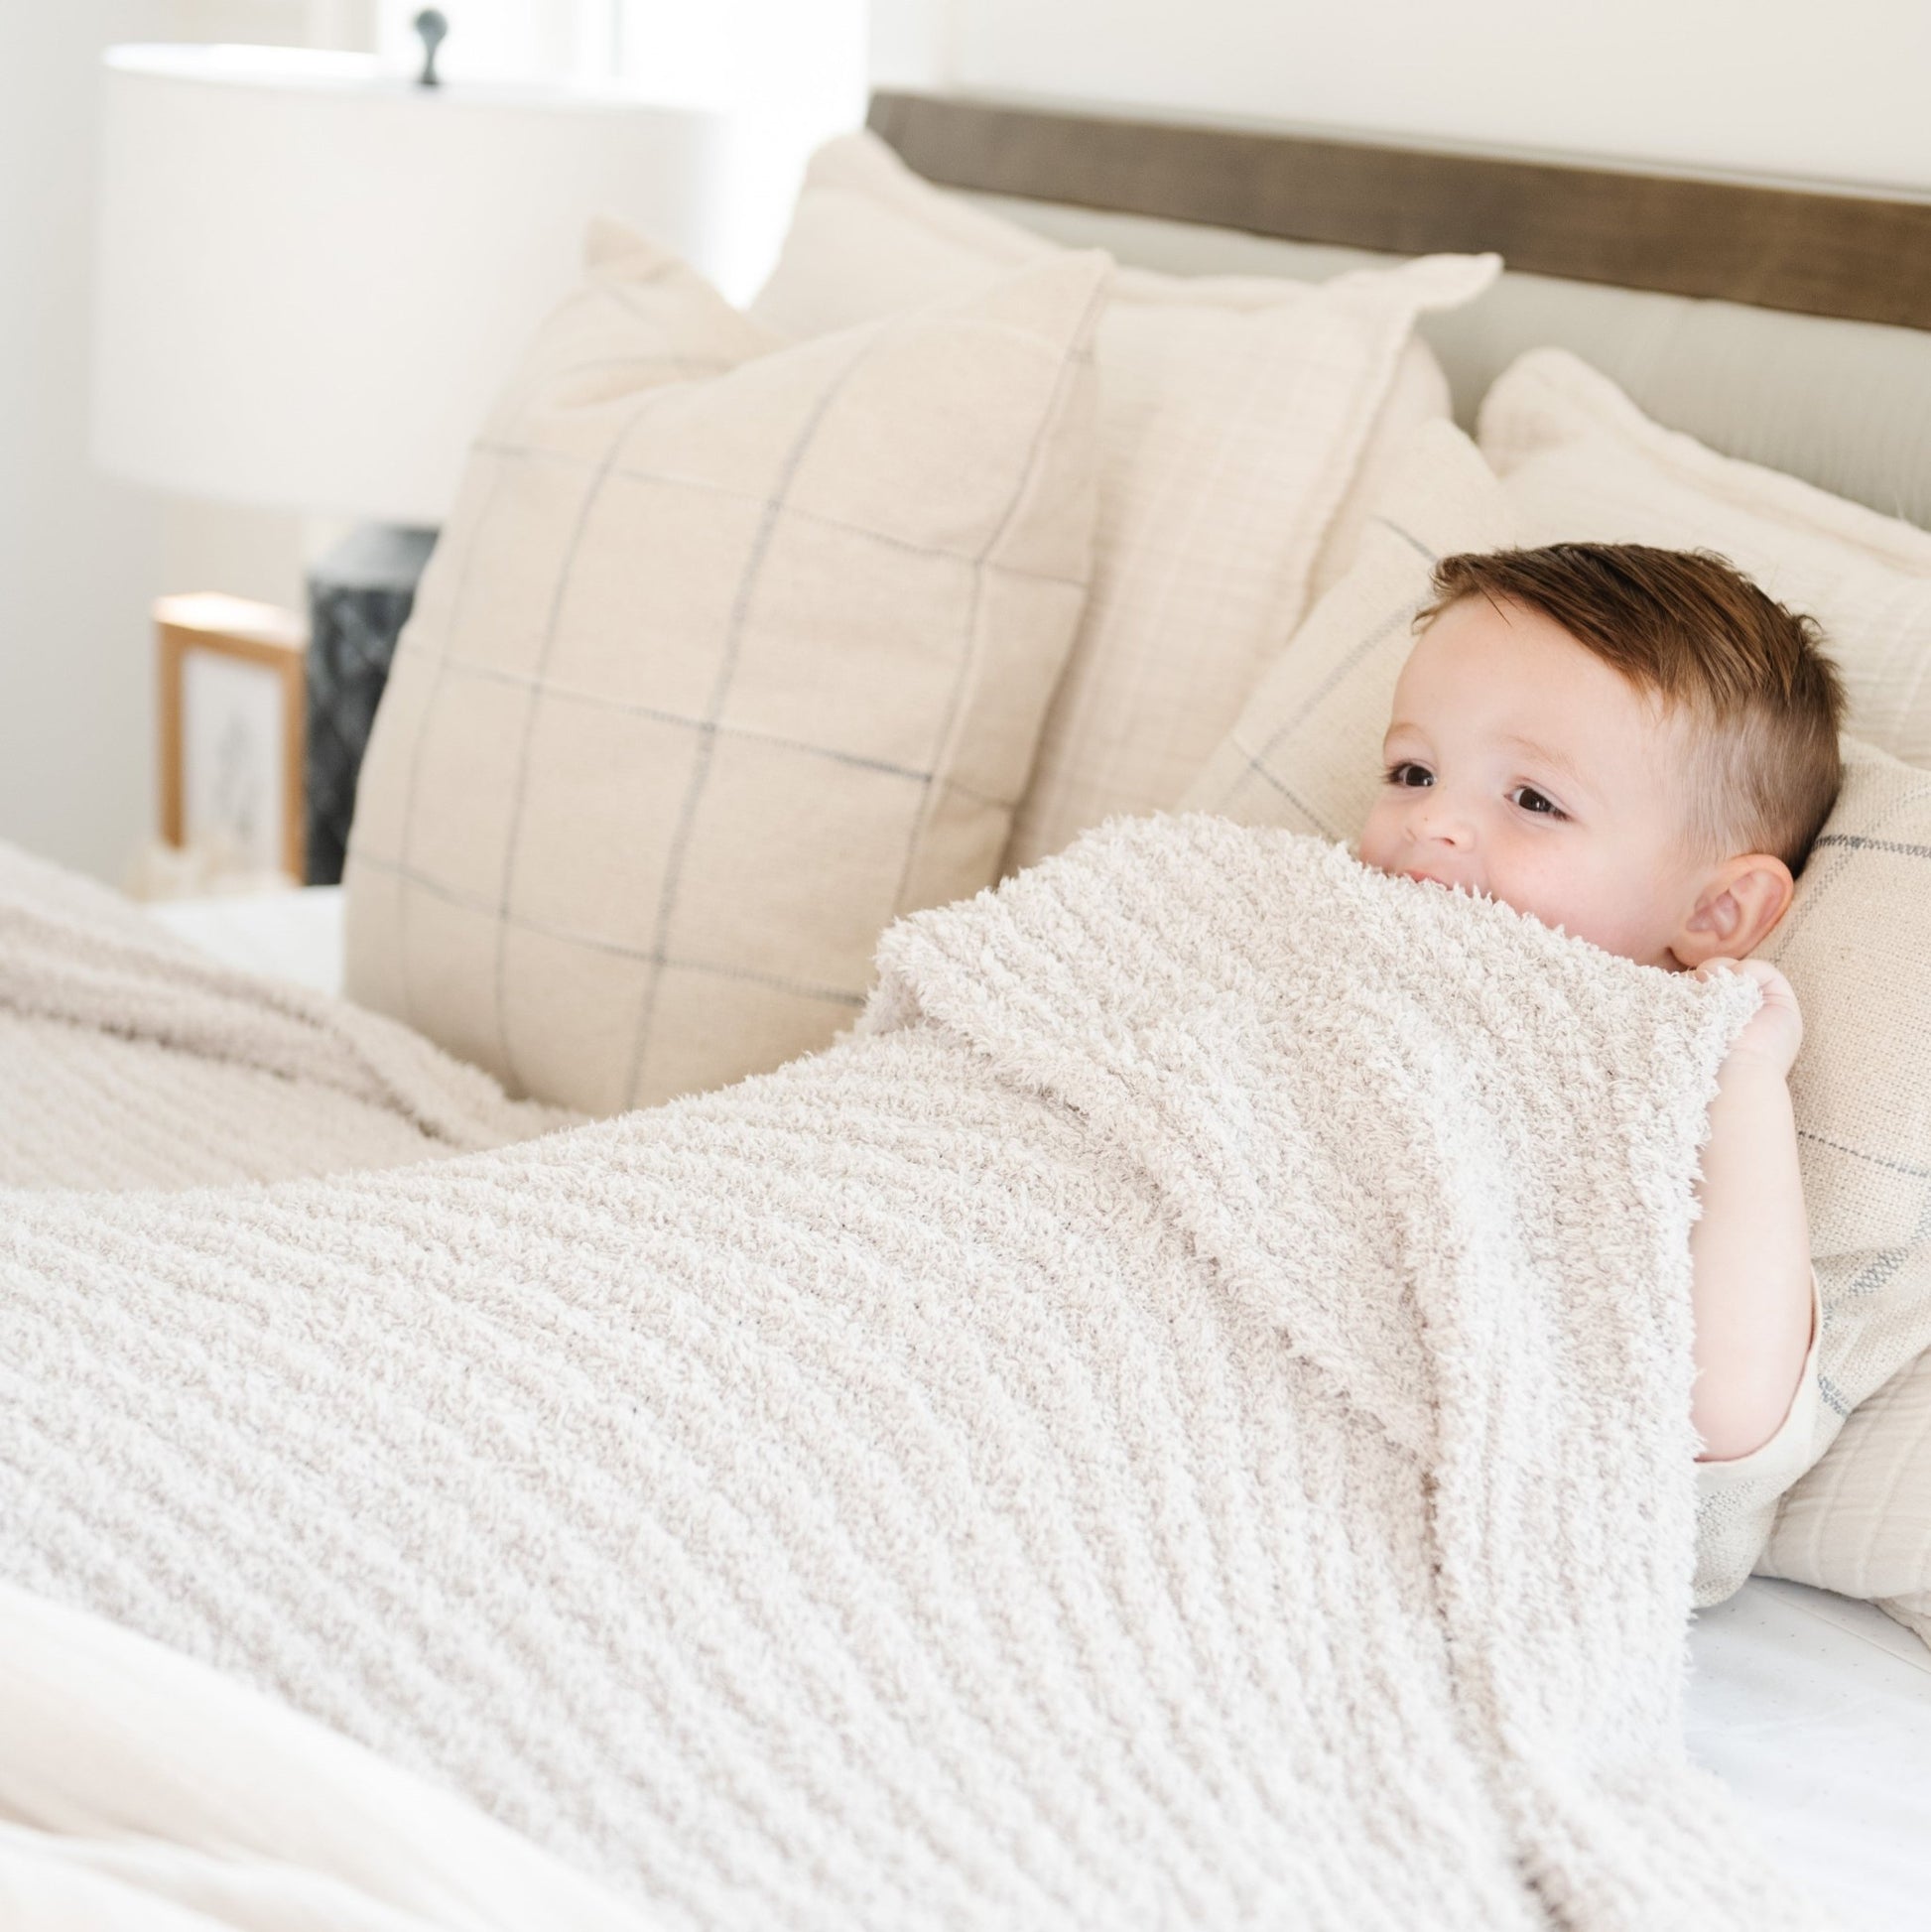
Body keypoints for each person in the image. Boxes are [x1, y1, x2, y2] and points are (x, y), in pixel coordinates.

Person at [1356, 543, 1841, 1506]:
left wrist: (1742, 1084)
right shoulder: (1315, 920)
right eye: (1412, 772)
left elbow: (1719, 1412)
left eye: (1531, 800)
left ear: (1712, 916)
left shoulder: (1657, 1072)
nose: (1433, 823)